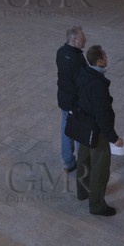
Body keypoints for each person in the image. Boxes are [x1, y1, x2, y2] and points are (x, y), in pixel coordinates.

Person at [73, 44, 118, 216]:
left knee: (83, 160)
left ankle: (82, 192)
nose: (107, 57)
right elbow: (102, 115)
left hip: (84, 127)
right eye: (105, 56)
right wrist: (113, 137)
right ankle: (97, 205)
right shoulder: (98, 84)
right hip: (97, 131)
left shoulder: (84, 73)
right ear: (99, 62)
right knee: (100, 169)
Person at [55, 25, 87, 173]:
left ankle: (68, 162)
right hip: (76, 102)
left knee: (65, 129)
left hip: (64, 99)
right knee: (80, 132)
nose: (85, 40)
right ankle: (83, 163)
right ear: (74, 40)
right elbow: (82, 81)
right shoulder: (77, 58)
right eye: (82, 38)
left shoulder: (61, 52)